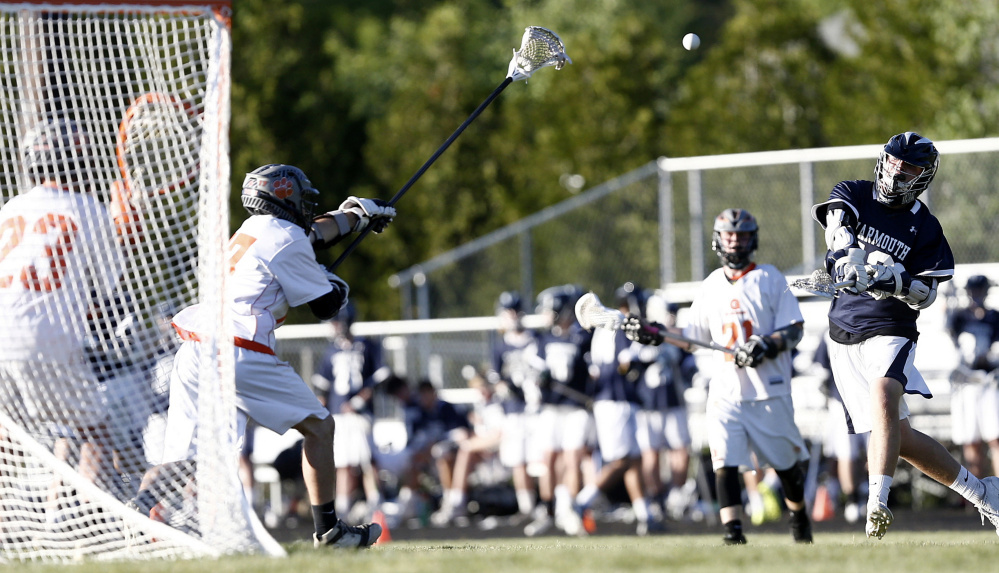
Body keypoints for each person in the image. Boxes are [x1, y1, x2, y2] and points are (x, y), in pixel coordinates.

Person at [129, 164, 395, 548]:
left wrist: (355, 216)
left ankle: (137, 510)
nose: (306, 207)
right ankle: (330, 531)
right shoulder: (286, 238)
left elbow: (316, 233)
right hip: (239, 352)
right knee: (320, 426)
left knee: (196, 459)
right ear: (284, 197)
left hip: (194, 349)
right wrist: (336, 285)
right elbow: (326, 306)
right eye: (301, 199)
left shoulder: (251, 230)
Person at [809, 132, 999, 539]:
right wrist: (847, 260)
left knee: (884, 399)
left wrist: (893, 280)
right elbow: (836, 225)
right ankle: (983, 492)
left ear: (924, 176)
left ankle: (876, 504)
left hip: (891, 326)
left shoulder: (925, 226)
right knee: (903, 438)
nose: (897, 170)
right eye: (894, 161)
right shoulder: (854, 192)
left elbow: (927, 294)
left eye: (908, 166)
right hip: (844, 328)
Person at [624, 208, 813, 545]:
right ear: (718, 239)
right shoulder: (711, 284)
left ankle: (799, 521)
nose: (735, 241)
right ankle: (733, 534)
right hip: (726, 391)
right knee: (724, 461)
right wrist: (658, 333)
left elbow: (795, 329)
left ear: (752, 239)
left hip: (768, 390)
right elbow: (691, 338)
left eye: (741, 235)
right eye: (729, 235)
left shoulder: (770, 278)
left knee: (786, 467)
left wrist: (764, 345)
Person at [0, 119, 126, 512]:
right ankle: (83, 527)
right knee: (96, 433)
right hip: (46, 337)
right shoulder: (88, 209)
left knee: (6, 443)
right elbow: (107, 295)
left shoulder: (9, 209)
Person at [574, 282, 662, 536]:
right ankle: (582, 502)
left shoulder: (610, 324)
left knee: (633, 459)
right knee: (621, 460)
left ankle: (645, 515)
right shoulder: (621, 324)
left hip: (616, 399)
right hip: (616, 400)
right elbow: (628, 362)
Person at [523, 285, 596, 537]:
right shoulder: (542, 340)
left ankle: (572, 509)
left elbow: (592, 368)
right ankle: (548, 510)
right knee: (550, 459)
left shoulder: (582, 337)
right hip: (551, 408)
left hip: (575, 408)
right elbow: (531, 369)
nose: (544, 314)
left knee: (573, 457)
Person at [312, 301, 389, 522]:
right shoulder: (331, 350)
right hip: (338, 415)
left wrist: (357, 402)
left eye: (336, 322)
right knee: (343, 462)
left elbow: (378, 380)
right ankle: (343, 507)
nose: (334, 327)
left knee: (366, 459)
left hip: (360, 414)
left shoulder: (367, 346)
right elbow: (322, 387)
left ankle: (377, 503)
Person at [946, 275, 999, 479]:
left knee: (995, 438)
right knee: (972, 440)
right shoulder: (959, 317)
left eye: (980, 290)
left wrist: (989, 357)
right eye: (973, 290)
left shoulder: (994, 317)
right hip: (965, 385)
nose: (976, 294)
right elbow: (951, 338)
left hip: (988, 384)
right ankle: (978, 495)